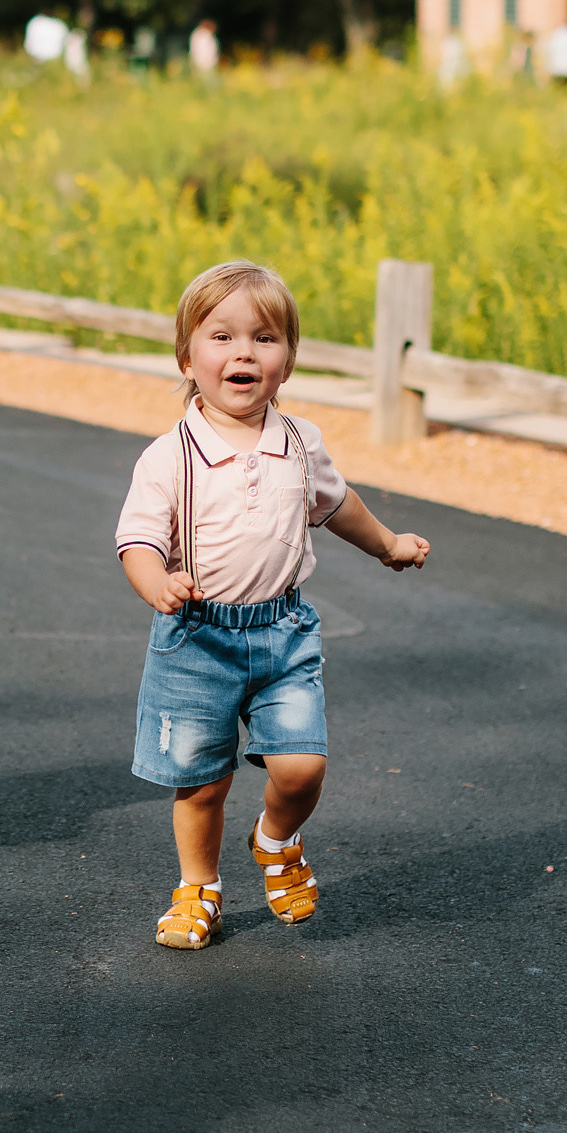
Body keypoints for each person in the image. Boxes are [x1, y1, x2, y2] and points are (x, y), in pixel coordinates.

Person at [114, 262, 431, 950]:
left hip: (283, 633)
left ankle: (276, 838)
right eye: (222, 336)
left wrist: (387, 544)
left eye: (264, 338)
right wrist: (156, 584)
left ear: (287, 357)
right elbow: (137, 540)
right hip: (196, 638)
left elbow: (337, 504)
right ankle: (198, 887)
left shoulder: (298, 441)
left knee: (301, 765)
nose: (243, 353)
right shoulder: (169, 457)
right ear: (187, 355)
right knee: (202, 783)